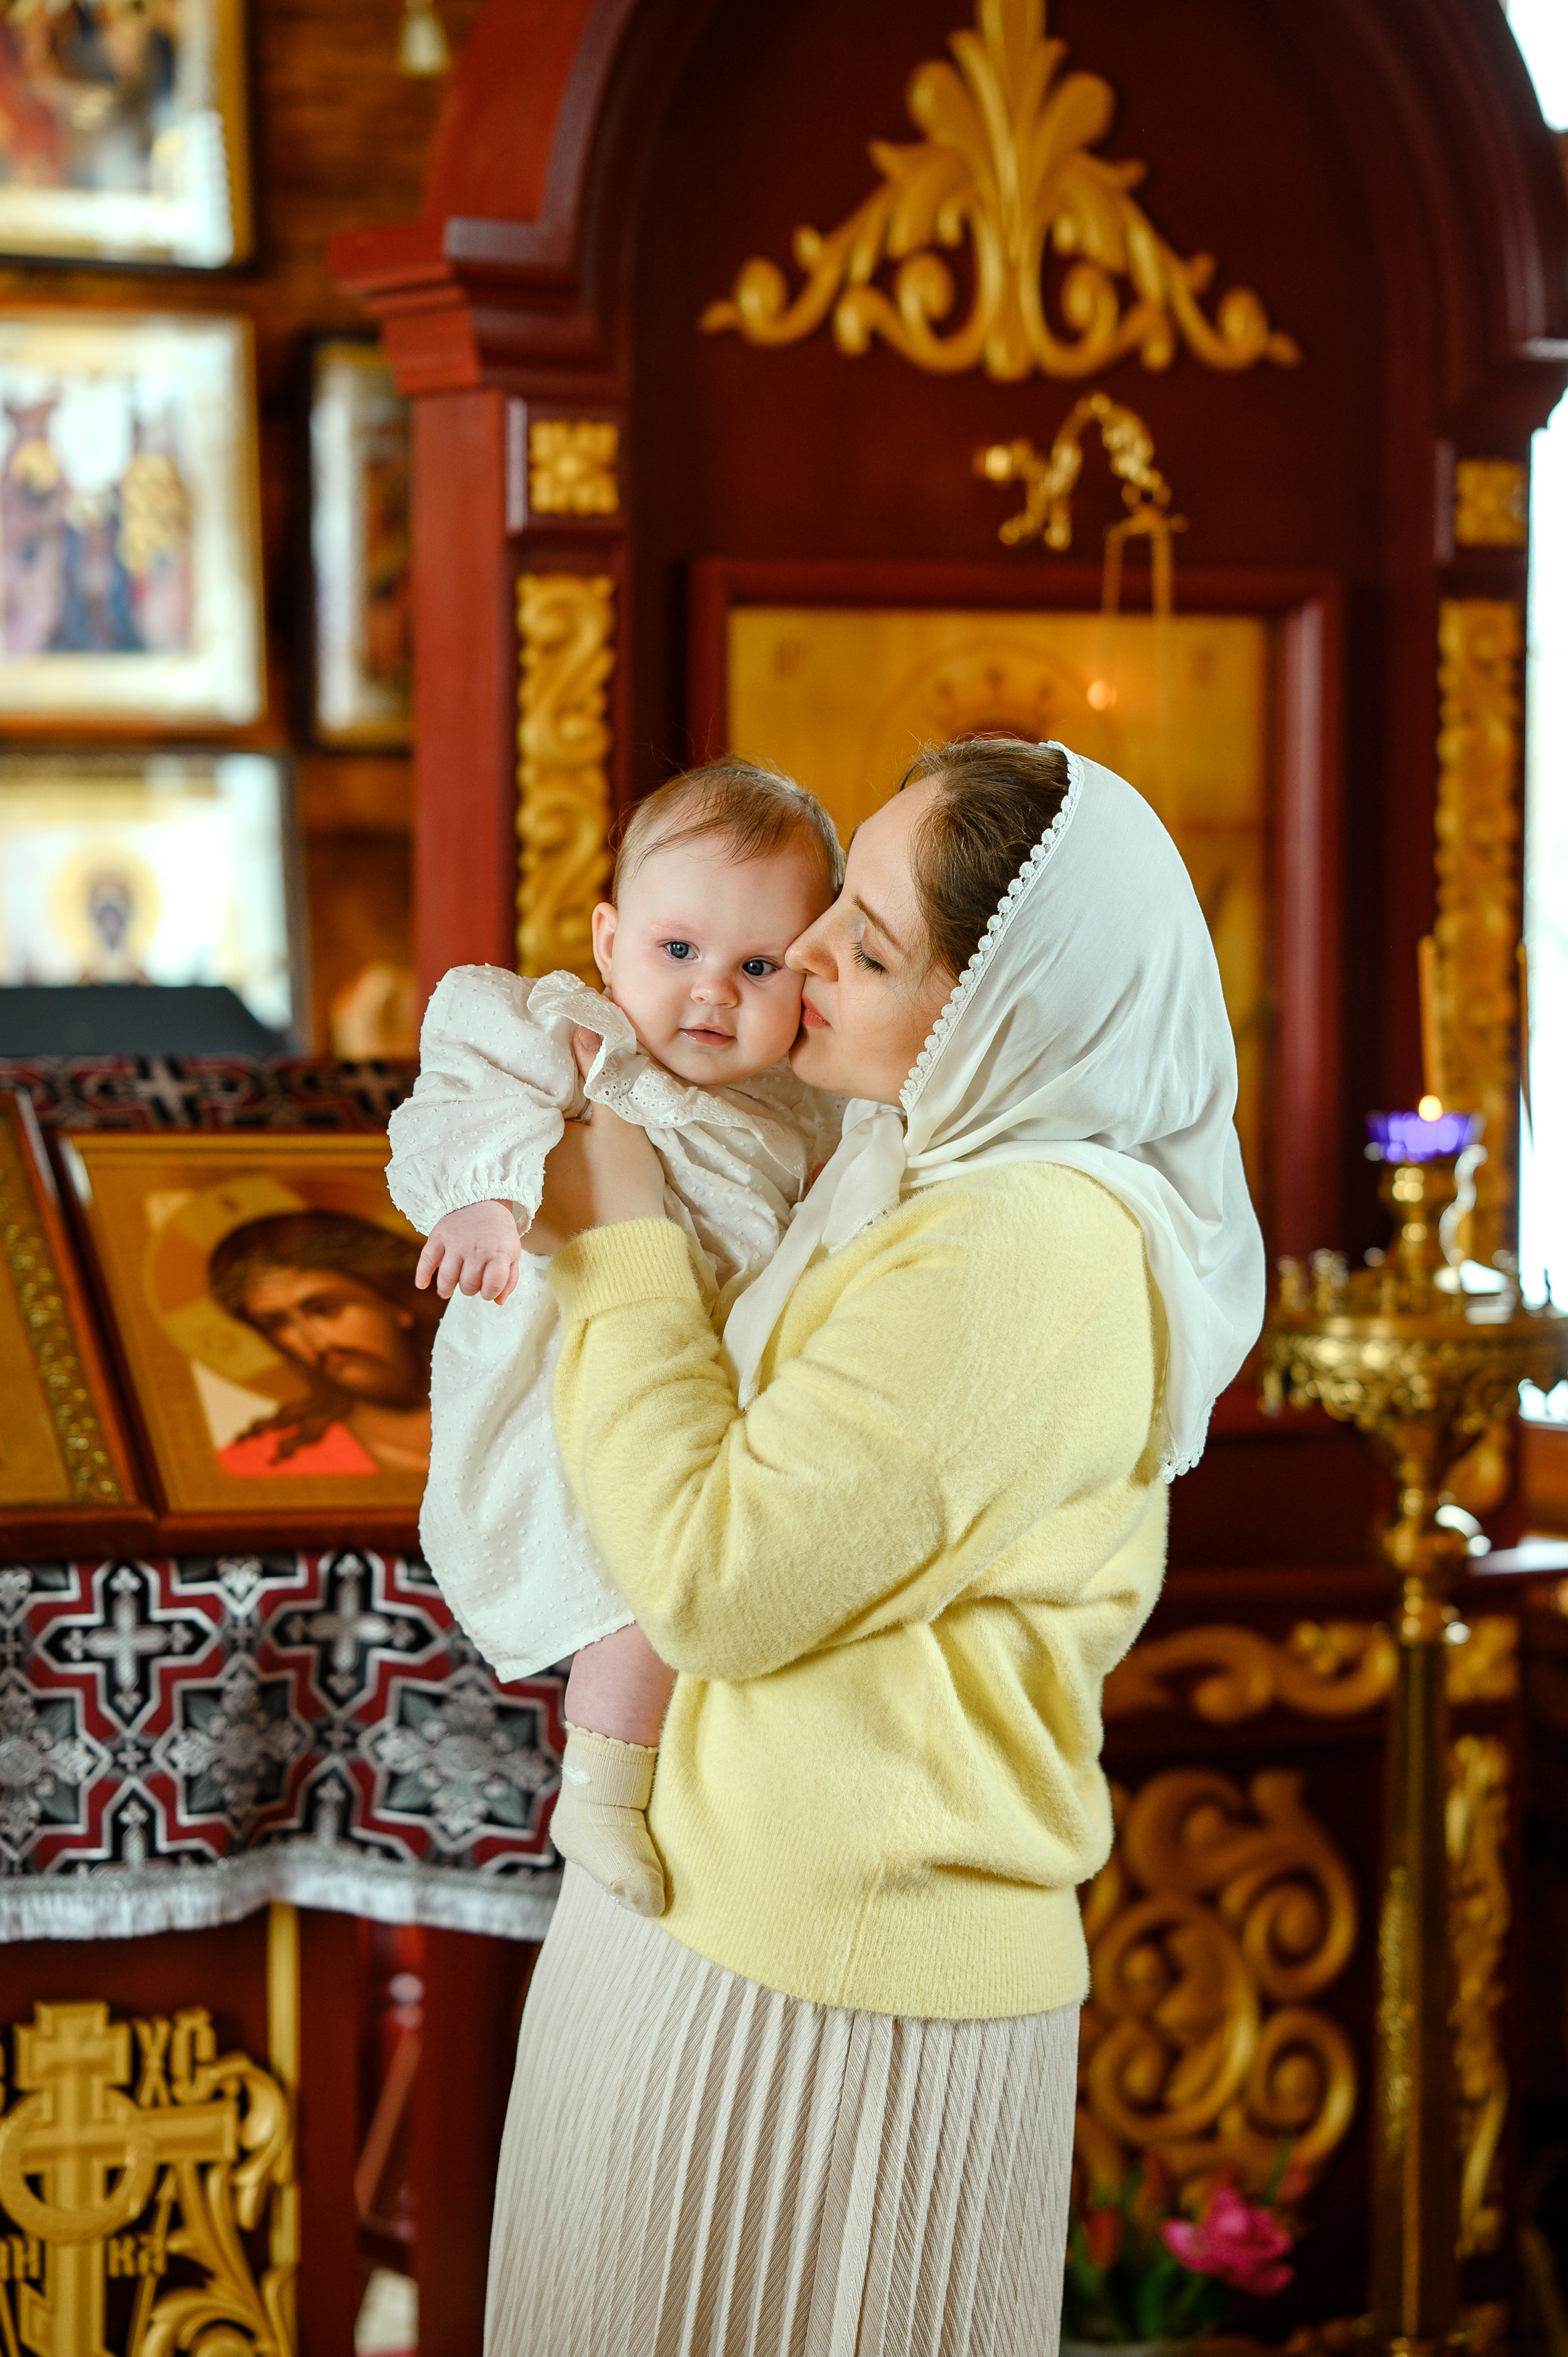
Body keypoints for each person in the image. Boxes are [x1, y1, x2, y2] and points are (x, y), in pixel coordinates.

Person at [484, 736, 1265, 2357]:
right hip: (744, 1917)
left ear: (1001, 1018)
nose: (809, 957)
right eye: (835, 905)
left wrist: (620, 1222)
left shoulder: (1021, 1248)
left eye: (874, 943)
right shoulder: (908, 1175)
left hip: (827, 1984)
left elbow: (712, 1579)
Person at [385, 761, 844, 1915]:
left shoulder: (807, 1102)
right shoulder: (576, 1039)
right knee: (638, 1577)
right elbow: (463, 1095)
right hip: (579, 1367)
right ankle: (598, 1784)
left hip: (717, 1378)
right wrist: (486, 1198)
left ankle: (677, 1773)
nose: (712, 995)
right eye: (677, 951)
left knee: (721, 1579)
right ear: (608, 935)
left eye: (758, 967)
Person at [209, 1209, 440, 1475]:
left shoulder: (498, 1421)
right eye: (279, 1324)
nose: (317, 1343)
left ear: (395, 1301)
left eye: (324, 1309)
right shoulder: (255, 1466)